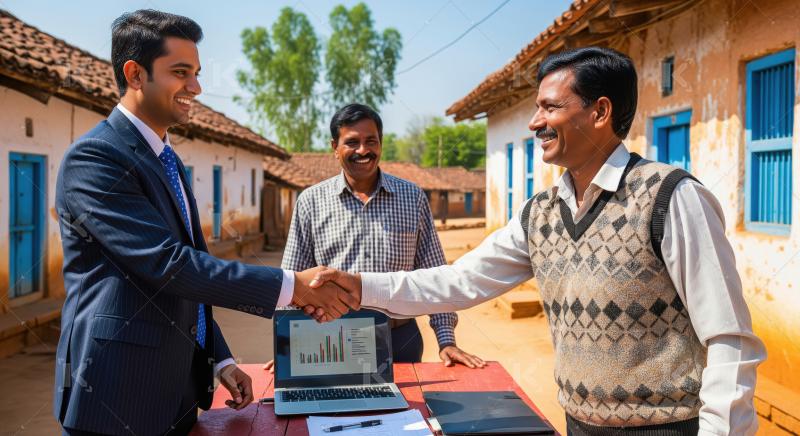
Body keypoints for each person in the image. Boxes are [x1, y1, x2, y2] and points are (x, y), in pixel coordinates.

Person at [307, 47, 766, 435]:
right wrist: (359, 287)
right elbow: (458, 282)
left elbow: (731, 338)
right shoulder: (540, 214)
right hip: (579, 424)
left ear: (600, 112)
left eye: (549, 107)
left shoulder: (671, 197)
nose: (534, 122)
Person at [54, 10, 355, 435]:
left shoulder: (167, 159)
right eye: (181, 73)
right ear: (135, 74)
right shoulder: (96, 159)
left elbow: (185, 281)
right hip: (116, 391)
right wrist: (293, 286)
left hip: (173, 390)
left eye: (196, 73)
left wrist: (221, 358)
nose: (195, 87)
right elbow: (169, 264)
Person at [264, 104, 484, 372]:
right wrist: (287, 345)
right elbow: (292, 280)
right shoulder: (311, 201)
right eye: (352, 142)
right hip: (333, 337)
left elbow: (434, 274)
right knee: (336, 409)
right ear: (335, 147)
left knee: (407, 409)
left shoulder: (412, 198)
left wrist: (446, 341)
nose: (362, 150)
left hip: (401, 338)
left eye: (371, 141)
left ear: (381, 144)